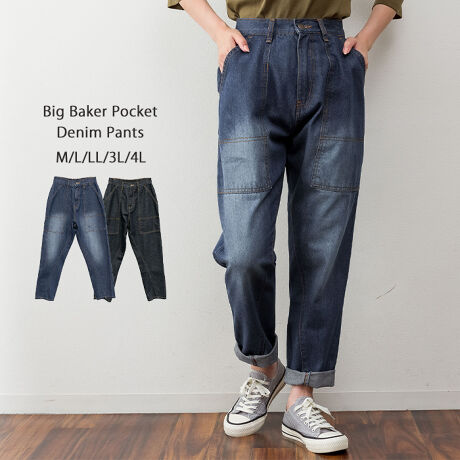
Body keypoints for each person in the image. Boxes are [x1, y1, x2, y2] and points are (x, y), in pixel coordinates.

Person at [168, 0, 402, 454]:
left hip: (333, 58)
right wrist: (218, 32)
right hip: (250, 53)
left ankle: (302, 394)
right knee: (244, 251)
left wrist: (367, 41)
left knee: (323, 247)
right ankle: (263, 365)